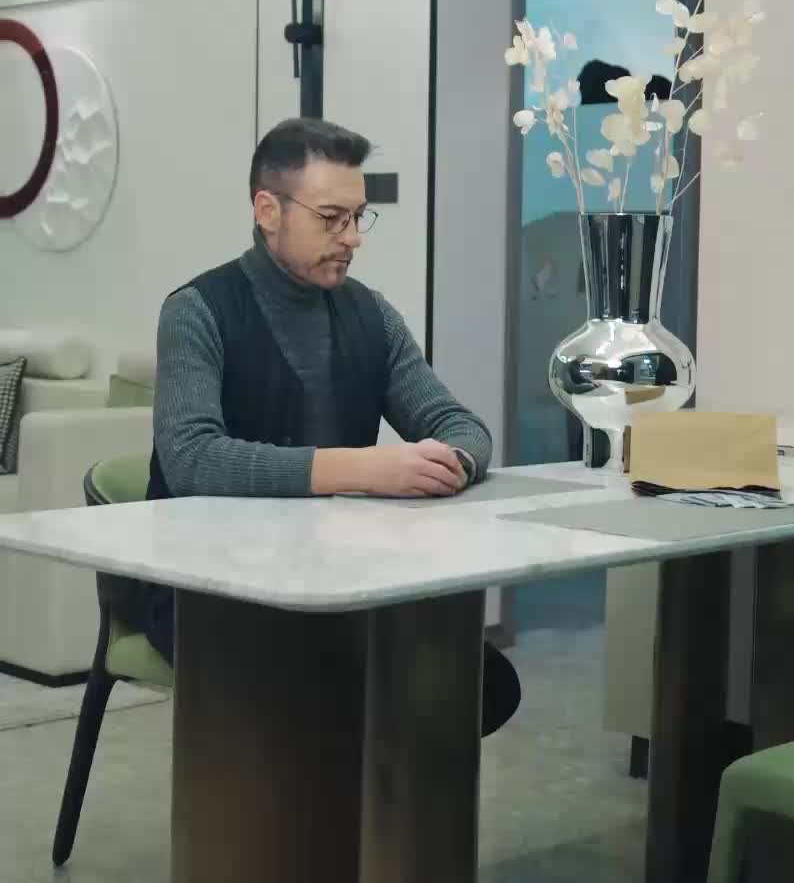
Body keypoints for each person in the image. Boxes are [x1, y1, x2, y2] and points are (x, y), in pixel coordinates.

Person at [144, 115, 520, 734]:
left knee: (483, 684)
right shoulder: (196, 311)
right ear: (268, 210)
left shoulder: (371, 314)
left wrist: (449, 462)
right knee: (339, 685)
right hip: (210, 588)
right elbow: (191, 460)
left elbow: (460, 424)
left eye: (358, 217)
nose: (351, 238)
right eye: (330, 218)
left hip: (337, 576)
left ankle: (380, 798)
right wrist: (362, 470)